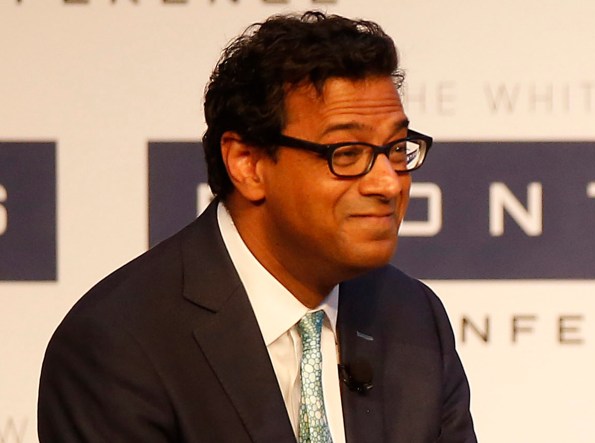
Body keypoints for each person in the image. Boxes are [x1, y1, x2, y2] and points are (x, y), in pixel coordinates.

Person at [38, 11, 476, 443]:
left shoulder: (411, 316)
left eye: (396, 148)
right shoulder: (119, 345)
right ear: (247, 164)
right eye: (346, 152)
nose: (388, 182)